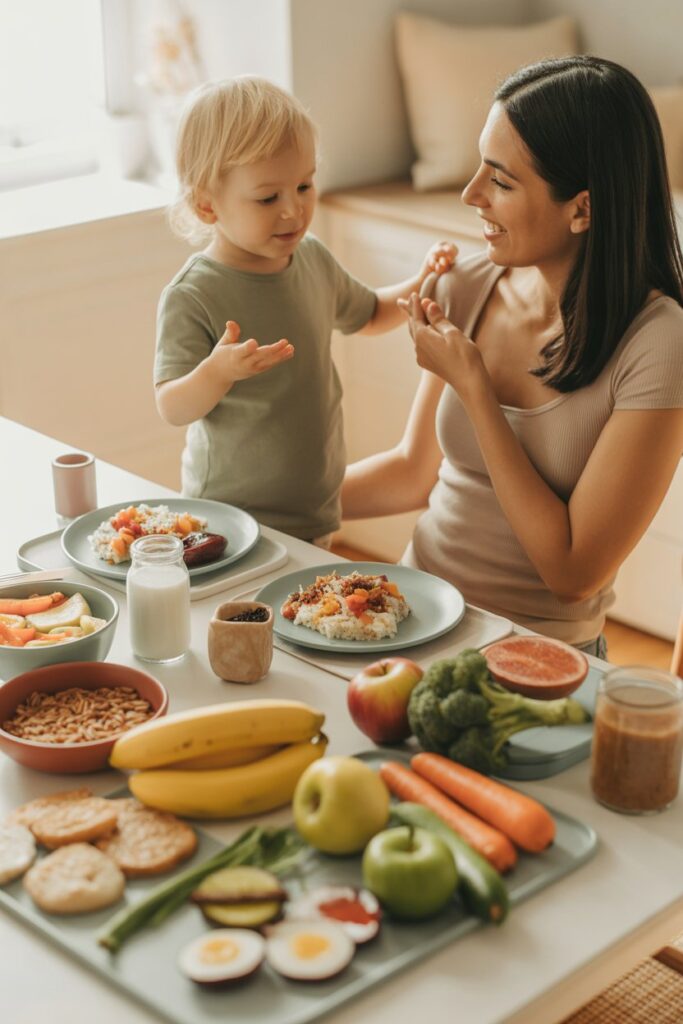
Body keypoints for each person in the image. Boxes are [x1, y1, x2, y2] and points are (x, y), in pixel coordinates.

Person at [342, 56, 683, 655]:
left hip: (539, 654)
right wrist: (258, 500)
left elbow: (573, 575)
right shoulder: (465, 286)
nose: (471, 194)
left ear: (582, 208)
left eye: (500, 181)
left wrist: (475, 389)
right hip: (409, 617)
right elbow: (411, 473)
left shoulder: (660, 344)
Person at [154, 76, 454, 543]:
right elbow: (172, 405)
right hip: (230, 523)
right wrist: (216, 372)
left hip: (315, 510)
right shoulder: (195, 293)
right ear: (206, 204)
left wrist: (423, 281)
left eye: (305, 185)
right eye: (268, 197)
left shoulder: (311, 258)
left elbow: (371, 313)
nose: (293, 210)